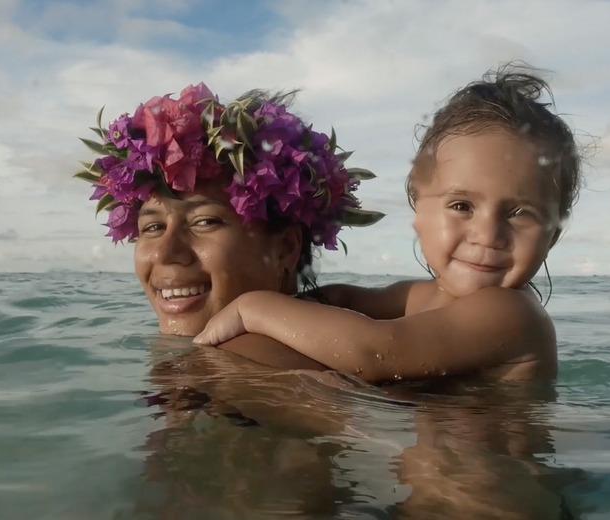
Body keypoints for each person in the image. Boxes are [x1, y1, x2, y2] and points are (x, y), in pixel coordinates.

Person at [193, 65, 584, 384]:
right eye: (462, 206)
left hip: (486, 482)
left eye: (520, 214)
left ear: (553, 235)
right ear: (419, 210)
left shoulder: (512, 314)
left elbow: (377, 352)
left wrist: (252, 307)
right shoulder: (421, 296)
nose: (488, 235)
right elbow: (346, 300)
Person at [75, 82, 384, 371]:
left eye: (205, 221)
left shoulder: (236, 365)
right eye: (153, 227)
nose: (166, 253)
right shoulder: (346, 316)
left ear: (285, 248)